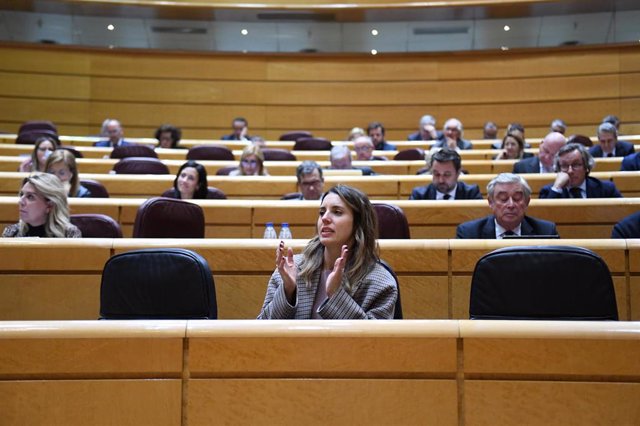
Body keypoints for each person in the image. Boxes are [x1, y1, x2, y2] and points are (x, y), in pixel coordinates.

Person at [257, 184, 398, 319]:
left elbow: (375, 341)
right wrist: (288, 290)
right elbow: (261, 331)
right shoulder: (292, 269)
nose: (325, 218)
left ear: (358, 224)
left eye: (337, 212)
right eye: (322, 212)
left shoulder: (381, 283)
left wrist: (336, 296)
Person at [456, 173, 558, 239]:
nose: (511, 205)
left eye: (517, 198)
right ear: (491, 202)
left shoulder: (546, 232)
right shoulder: (469, 233)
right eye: (503, 199)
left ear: (527, 201)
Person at [2, 173, 82, 238]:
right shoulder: (12, 233)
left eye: (30, 197)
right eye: (22, 194)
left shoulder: (70, 235)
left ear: (49, 206)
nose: (20, 202)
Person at [539, 143, 622, 199]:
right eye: (564, 166)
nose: (570, 171)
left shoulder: (606, 189)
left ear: (586, 166)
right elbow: (544, 218)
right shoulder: (548, 192)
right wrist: (557, 187)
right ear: (558, 169)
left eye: (576, 165)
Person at [409, 148, 482, 200]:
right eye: (436, 174)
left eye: (447, 175)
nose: (441, 180)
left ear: (458, 173)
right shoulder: (419, 195)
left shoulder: (471, 194)